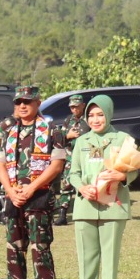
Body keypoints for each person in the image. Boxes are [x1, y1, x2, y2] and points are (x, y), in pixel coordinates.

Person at [0, 85, 67, 279]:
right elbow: (1, 164)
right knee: (14, 246)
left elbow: (56, 165)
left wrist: (31, 188)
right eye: (18, 102)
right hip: (14, 198)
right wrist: (10, 191)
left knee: (40, 246)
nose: (22, 105)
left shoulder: (51, 130)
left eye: (27, 101)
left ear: (38, 103)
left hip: (39, 196)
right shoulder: (9, 131)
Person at [66, 96, 133, 279]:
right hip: (85, 206)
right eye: (91, 115)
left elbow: (134, 169)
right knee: (87, 256)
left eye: (100, 114)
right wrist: (82, 188)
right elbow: (73, 173)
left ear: (109, 113)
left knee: (110, 255)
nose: (95, 119)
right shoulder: (82, 141)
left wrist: (123, 175)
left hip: (113, 206)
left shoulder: (123, 139)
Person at [53, 94, 89, 226]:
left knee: (85, 185)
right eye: (72, 107)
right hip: (70, 158)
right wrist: (68, 135)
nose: (74, 109)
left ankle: (86, 213)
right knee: (66, 185)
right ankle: (62, 214)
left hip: (86, 158)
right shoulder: (68, 120)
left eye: (76, 107)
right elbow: (60, 138)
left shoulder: (89, 119)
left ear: (83, 105)